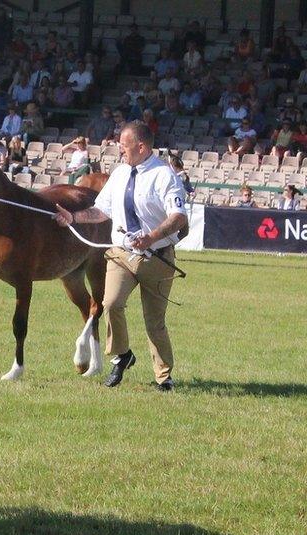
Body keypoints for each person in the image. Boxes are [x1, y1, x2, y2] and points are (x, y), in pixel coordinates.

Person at [53, 121, 187, 392]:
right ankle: (122, 355)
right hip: (121, 253)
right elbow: (101, 210)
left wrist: (152, 237)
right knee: (110, 303)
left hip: (157, 257)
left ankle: (163, 377)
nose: (120, 151)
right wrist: (74, 217)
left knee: (154, 321)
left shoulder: (164, 175)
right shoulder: (119, 174)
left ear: (141, 146)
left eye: (123, 146)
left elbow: (179, 217)